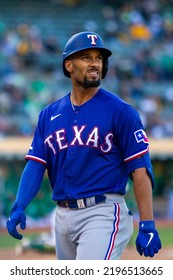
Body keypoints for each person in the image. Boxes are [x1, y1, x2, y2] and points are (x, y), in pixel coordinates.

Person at [7, 31, 162, 260]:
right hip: (61, 216)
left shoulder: (121, 112)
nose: (94, 63)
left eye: (98, 58)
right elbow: (36, 164)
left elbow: (140, 168)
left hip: (102, 212)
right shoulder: (49, 114)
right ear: (68, 65)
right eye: (86, 57)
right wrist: (19, 205)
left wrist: (147, 223)